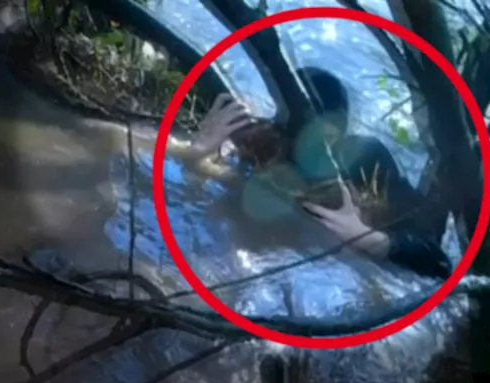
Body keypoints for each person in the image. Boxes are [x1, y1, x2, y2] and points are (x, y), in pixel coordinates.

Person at [183, 67, 452, 279]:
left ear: (338, 134)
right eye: (290, 131)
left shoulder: (366, 161)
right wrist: (195, 156)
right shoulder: (271, 149)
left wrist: (370, 239)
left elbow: (439, 262)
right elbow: (222, 188)